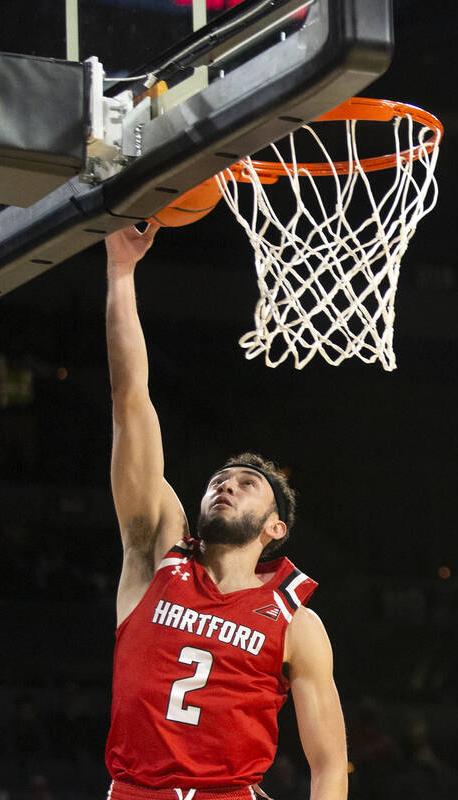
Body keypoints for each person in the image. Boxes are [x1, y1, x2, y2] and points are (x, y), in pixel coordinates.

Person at [102, 223, 347, 800]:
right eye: (218, 480)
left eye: (245, 484)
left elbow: (330, 764)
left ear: (275, 527)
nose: (225, 487)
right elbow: (129, 401)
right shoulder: (155, 554)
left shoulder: (296, 623)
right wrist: (120, 273)